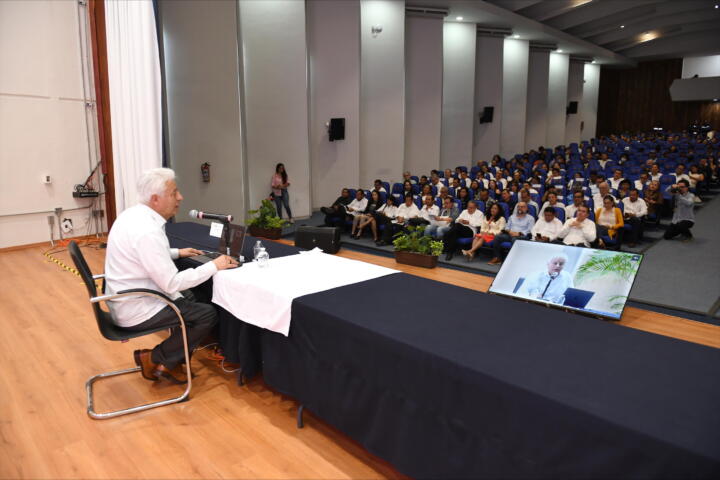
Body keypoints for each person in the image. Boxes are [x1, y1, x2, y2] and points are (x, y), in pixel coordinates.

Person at [105, 168, 238, 384]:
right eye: (174, 193)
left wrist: (176, 253)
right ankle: (154, 358)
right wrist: (214, 265)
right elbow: (170, 282)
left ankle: (172, 362)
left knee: (191, 298)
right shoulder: (147, 231)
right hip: (137, 307)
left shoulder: (132, 215)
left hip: (125, 297)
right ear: (155, 199)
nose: (180, 197)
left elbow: (140, 255)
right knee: (206, 315)